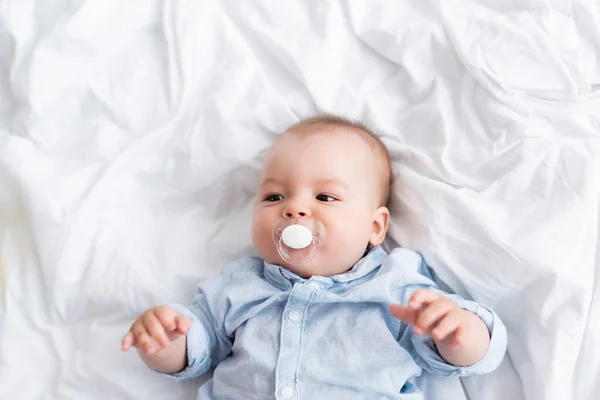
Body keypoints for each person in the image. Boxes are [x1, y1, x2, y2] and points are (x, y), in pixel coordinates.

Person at [121, 115, 507, 399]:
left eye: (325, 197)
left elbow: (469, 357)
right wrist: (166, 342)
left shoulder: (396, 287)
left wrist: (457, 331)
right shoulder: (237, 286)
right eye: (274, 197)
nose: (294, 210)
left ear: (375, 227)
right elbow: (194, 356)